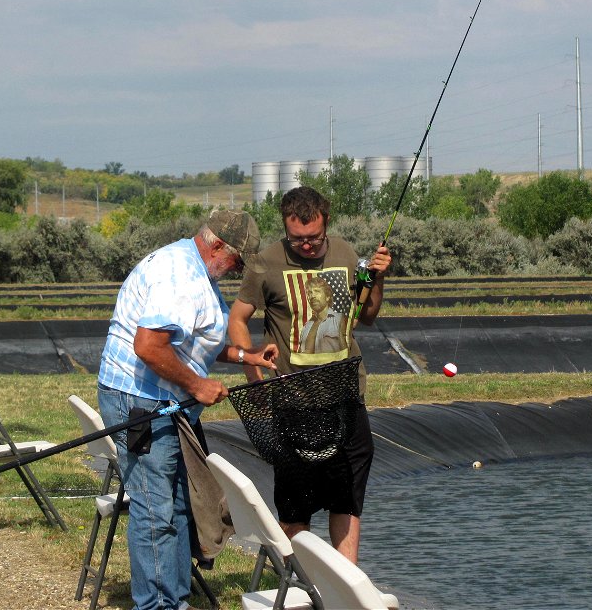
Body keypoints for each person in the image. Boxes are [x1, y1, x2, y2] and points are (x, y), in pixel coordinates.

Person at [97, 209, 278, 610]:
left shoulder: (196, 268)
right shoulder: (180, 278)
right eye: (236, 261)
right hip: (139, 403)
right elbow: (148, 346)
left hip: (162, 403)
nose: (235, 270)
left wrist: (248, 355)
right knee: (155, 509)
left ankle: (175, 598)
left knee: (175, 501)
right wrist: (197, 385)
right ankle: (159, 605)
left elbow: (195, 339)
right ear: (217, 245)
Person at [227, 186, 391, 564]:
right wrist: (253, 371)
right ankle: (299, 581)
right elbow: (238, 318)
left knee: (346, 496)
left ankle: (345, 582)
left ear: (326, 223)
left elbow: (366, 315)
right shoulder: (265, 263)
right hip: (292, 399)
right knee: (295, 502)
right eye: (296, 238)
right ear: (285, 227)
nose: (306, 245)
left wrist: (378, 279)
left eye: (314, 238)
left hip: (346, 396)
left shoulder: (347, 254)